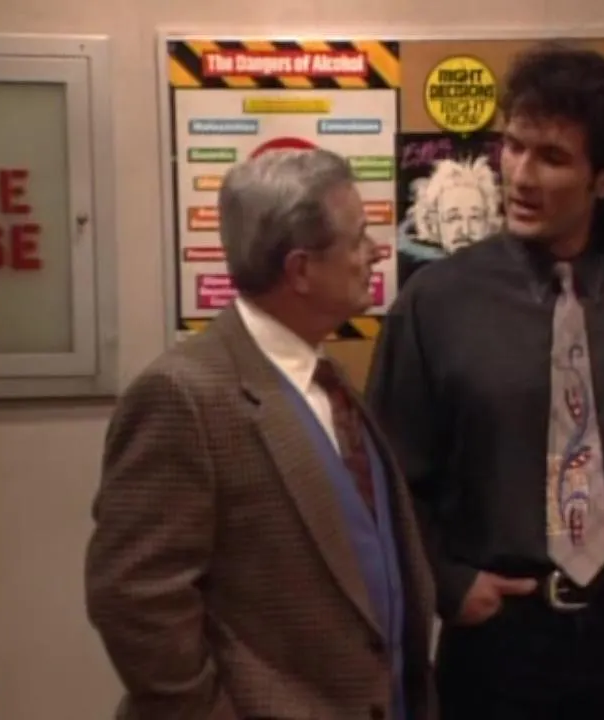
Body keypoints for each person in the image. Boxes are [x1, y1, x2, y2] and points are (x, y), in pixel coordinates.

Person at [366, 43, 604, 720]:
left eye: (552, 157)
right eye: (513, 147)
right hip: (497, 642)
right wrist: (450, 584)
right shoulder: (437, 303)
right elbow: (389, 477)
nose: (520, 174)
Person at [85, 148, 437, 720]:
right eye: (356, 239)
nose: (376, 251)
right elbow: (135, 598)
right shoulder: (183, 393)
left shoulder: (327, 379)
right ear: (300, 270)